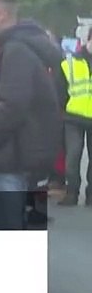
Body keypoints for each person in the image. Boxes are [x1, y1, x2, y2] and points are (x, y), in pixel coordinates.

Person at [0, 0, 65, 230]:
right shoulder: (9, 46)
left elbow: (12, 106)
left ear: (1, 16)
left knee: (5, 230)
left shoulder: (16, 50)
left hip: (10, 162)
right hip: (13, 160)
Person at [59, 41, 92, 206]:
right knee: (72, 156)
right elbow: (60, 87)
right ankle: (71, 192)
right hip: (73, 117)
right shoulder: (70, 62)